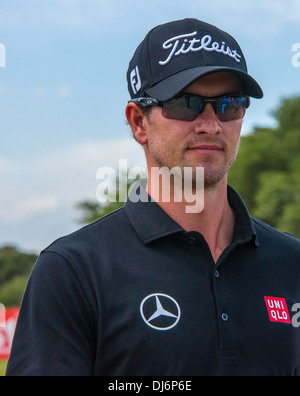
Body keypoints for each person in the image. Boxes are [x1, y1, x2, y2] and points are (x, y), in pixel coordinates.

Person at [6, 18, 300, 376]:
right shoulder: (73, 270)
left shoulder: (292, 263)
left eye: (230, 104)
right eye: (186, 103)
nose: (210, 124)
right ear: (138, 122)